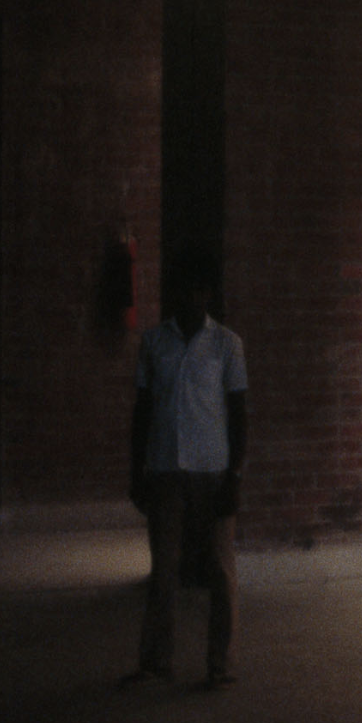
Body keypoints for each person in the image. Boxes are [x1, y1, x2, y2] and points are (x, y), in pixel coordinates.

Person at [124, 249, 247, 689]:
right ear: (174, 293)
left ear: (208, 294)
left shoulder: (227, 345)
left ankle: (222, 665)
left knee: (221, 571)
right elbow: (142, 411)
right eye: (183, 289)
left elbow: (239, 414)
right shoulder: (154, 343)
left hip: (213, 472)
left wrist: (235, 476)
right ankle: (157, 662)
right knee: (164, 570)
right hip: (165, 469)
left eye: (199, 290)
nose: (191, 297)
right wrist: (136, 471)